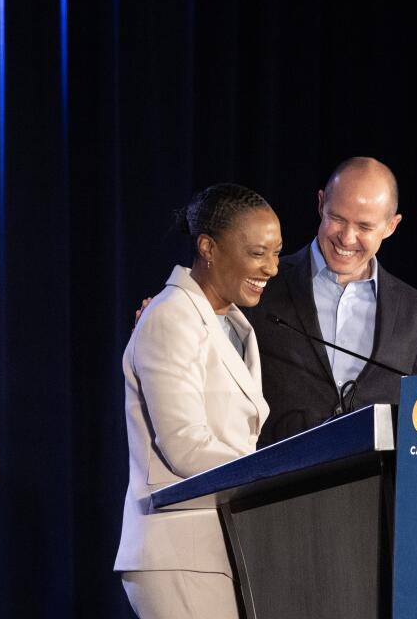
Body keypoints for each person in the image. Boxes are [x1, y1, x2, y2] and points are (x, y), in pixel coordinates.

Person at [115, 184, 282, 619]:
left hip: (217, 545)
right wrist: (278, 471)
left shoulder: (235, 324)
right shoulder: (171, 316)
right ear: (208, 247)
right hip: (177, 551)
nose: (272, 268)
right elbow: (185, 444)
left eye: (276, 253)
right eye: (258, 253)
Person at [244, 156, 417, 446]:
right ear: (321, 203)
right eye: (337, 219)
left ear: (391, 226)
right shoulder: (260, 286)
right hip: (277, 485)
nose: (347, 239)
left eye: (364, 227)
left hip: (376, 489)